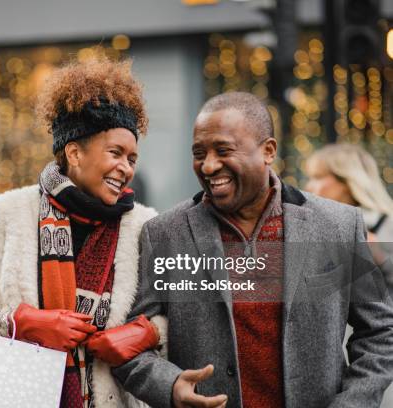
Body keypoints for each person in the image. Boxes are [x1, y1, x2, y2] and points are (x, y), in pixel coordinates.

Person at [113, 92, 393, 408]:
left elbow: (382, 332)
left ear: (268, 151)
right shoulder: (165, 233)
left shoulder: (338, 226)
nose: (208, 165)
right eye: (199, 153)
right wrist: (170, 385)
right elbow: (130, 343)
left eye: (223, 150)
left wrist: (351, 404)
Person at [0, 57, 164, 408]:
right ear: (74, 153)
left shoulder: (145, 226)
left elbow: (172, 315)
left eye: (132, 158)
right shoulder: (4, 214)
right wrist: (23, 322)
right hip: (18, 396)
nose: (125, 168)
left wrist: (147, 333)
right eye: (115, 153)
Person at [306, 143, 393, 289]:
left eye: (318, 177)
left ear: (346, 180)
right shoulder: (311, 226)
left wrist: (379, 256)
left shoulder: (386, 224)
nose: (309, 186)